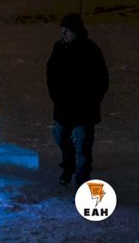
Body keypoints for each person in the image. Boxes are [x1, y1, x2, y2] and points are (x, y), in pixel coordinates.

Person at [46, 13, 108, 188]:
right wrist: (55, 95)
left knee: (83, 146)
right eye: (62, 30)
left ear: (77, 32)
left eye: (68, 30)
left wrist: (93, 100)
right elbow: (51, 73)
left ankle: (82, 181)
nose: (63, 34)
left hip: (85, 109)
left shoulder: (91, 50)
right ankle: (69, 165)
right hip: (63, 106)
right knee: (60, 136)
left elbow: (102, 79)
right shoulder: (59, 48)